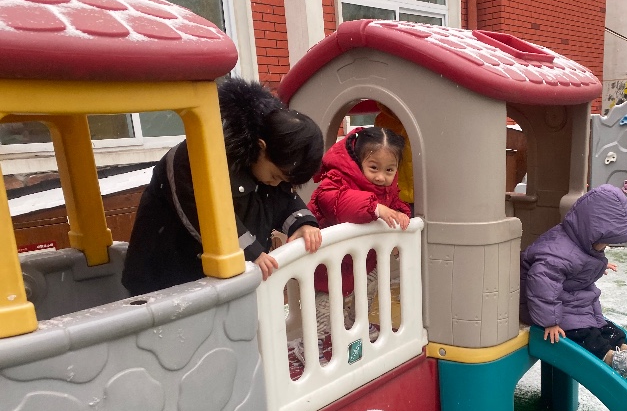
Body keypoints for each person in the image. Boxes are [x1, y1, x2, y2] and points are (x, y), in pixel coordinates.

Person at [121, 77, 323, 296]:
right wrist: (250, 251)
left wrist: (302, 222)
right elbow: (205, 213)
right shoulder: (198, 157)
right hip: (163, 276)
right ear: (261, 147)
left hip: (211, 281)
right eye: (276, 176)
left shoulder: (261, 164)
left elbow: (282, 196)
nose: (276, 183)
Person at [520, 184, 627, 378]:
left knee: (602, 326)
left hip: (569, 301)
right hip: (544, 309)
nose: (605, 247)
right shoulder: (558, 253)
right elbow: (541, 284)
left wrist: (601, 265)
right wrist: (550, 322)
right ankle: (612, 359)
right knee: (584, 334)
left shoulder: (580, 242)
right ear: (592, 233)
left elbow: (580, 262)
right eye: (605, 241)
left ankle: (625, 349)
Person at [306, 126, 411, 350]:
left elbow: (394, 203)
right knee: (327, 302)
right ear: (357, 160)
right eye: (373, 167)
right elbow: (333, 201)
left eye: (389, 170)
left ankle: (357, 324)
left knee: (367, 289)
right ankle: (317, 342)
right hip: (330, 260)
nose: (381, 177)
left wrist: (401, 214)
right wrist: (375, 208)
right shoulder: (337, 178)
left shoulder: (387, 188)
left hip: (364, 258)